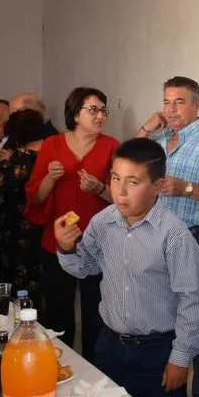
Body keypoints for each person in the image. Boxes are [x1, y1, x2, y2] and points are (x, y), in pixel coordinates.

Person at [54, 137, 199, 397]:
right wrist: (66, 248)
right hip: (110, 346)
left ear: (157, 186)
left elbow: (193, 302)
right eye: (115, 179)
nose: (120, 191)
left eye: (133, 182)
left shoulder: (174, 235)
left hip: (157, 352)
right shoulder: (102, 222)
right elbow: (85, 267)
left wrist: (180, 358)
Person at [135, 76, 199, 397]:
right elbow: (128, 160)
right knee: (161, 316)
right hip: (157, 238)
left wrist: (186, 188)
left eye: (180, 102)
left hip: (195, 239)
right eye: (167, 102)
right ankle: (165, 393)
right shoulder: (158, 140)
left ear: (197, 105)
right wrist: (147, 127)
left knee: (198, 320)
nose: (171, 109)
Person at [24, 87, 119, 359]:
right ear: (76, 114)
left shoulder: (112, 146)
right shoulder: (52, 144)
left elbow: (123, 196)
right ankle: (60, 366)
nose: (100, 116)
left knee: (96, 313)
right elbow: (36, 197)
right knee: (58, 313)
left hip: (99, 242)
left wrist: (100, 188)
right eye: (93, 110)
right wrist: (50, 178)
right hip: (57, 241)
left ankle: (96, 370)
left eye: (103, 110)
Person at [0, 109, 46, 309]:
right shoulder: (51, 153)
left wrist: (3, 164)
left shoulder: (22, 157)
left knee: (21, 284)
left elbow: (2, 187)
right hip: (44, 225)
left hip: (19, 226)